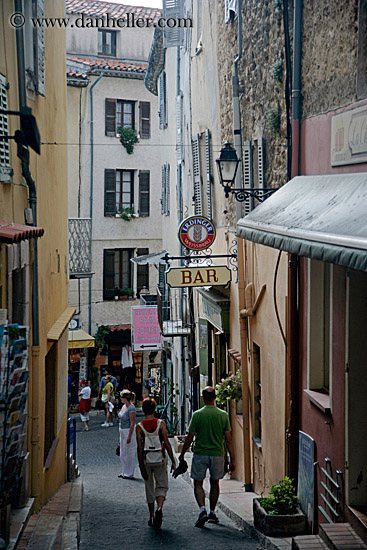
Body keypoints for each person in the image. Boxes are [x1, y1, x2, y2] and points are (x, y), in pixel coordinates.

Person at [178, 386, 235, 528]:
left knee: (198, 483)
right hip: (217, 454)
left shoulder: (197, 415)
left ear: (203, 398)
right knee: (215, 483)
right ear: (215, 397)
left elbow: (190, 437)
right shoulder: (223, 415)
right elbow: (228, 439)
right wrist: (232, 458)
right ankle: (212, 512)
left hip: (200, 454)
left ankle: (202, 509)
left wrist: (183, 454)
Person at [136, 397, 176, 529]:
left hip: (146, 459)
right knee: (162, 485)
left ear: (143, 410)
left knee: (149, 487)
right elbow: (167, 443)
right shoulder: (161, 424)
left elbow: (139, 447)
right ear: (154, 409)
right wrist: (173, 461)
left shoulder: (139, 426)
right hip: (160, 457)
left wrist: (141, 465)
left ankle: (152, 515)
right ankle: (159, 507)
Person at [118, 389, 137, 479]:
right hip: (122, 430)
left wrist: (130, 435)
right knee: (123, 452)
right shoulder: (124, 406)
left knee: (129, 452)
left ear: (126, 398)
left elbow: (132, 423)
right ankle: (124, 471)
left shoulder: (131, 408)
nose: (120, 399)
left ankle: (129, 473)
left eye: (121, 397)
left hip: (128, 430)